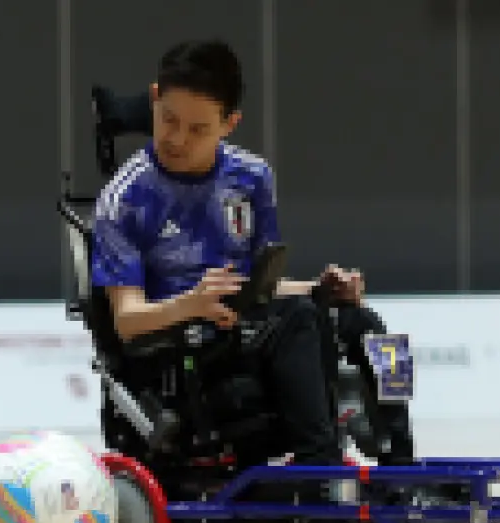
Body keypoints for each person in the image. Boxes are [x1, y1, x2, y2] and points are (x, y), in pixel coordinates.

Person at [89, 40, 417, 470]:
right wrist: (192, 304)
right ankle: (321, 468)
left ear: (229, 124)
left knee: (366, 324)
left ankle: (402, 461)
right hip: (179, 345)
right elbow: (127, 321)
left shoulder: (252, 177)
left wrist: (320, 288)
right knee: (297, 320)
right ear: (154, 98)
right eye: (168, 119)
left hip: (243, 326)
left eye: (198, 129)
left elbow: (258, 287)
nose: (177, 139)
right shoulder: (125, 199)